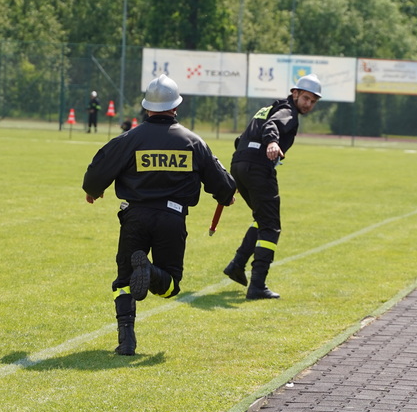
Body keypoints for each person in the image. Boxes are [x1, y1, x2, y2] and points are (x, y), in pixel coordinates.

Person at [82, 74, 236, 356]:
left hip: (135, 217)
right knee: (171, 286)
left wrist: (94, 190)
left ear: (147, 107)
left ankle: (126, 342)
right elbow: (222, 182)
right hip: (172, 219)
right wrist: (226, 195)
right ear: (176, 106)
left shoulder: (130, 138)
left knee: (123, 281)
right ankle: (150, 271)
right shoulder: (193, 141)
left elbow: (97, 169)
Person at [223, 73, 321, 300]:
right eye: (306, 98)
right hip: (258, 168)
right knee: (271, 226)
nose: (308, 104)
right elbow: (272, 126)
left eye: (313, 101)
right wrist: (273, 142)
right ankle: (257, 285)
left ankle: (237, 264)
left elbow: (241, 139)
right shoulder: (287, 111)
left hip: (240, 164)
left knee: (262, 218)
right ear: (295, 93)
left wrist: (241, 171)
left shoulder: (269, 108)